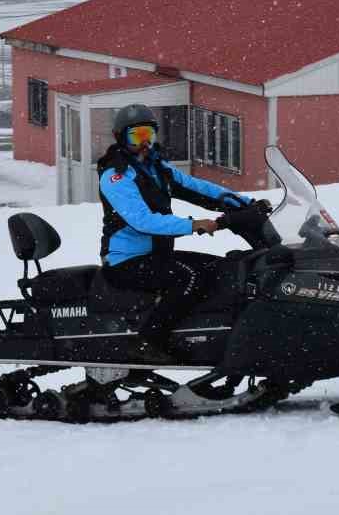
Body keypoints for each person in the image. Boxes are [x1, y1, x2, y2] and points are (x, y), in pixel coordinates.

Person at [97, 103, 252, 364]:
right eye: (137, 136)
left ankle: (206, 336)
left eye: (149, 135)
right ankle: (148, 341)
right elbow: (142, 221)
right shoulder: (117, 176)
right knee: (191, 276)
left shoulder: (158, 169)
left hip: (156, 256)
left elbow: (199, 188)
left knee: (220, 267)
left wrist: (245, 203)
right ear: (121, 138)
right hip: (126, 262)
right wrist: (193, 225)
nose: (145, 143)